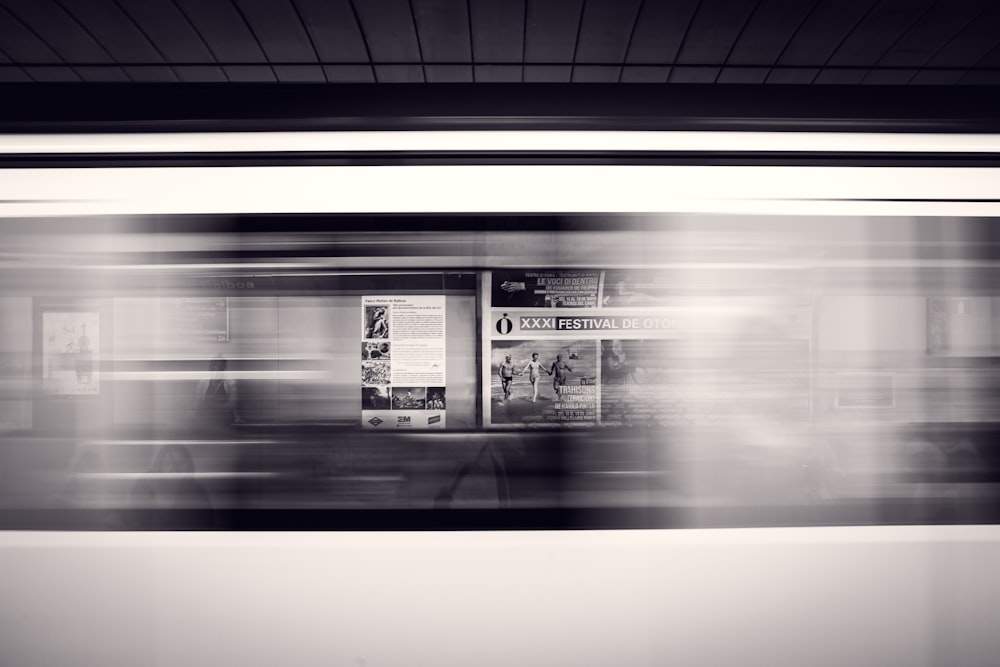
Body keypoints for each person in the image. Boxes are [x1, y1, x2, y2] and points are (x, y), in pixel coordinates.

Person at [194, 356, 241, 430]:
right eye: (215, 367)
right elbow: (198, 402)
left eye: (221, 367)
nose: (218, 370)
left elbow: (231, 404)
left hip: (225, 418)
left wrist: (211, 405)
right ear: (211, 368)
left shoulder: (230, 382)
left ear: (224, 369)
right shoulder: (203, 382)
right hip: (206, 418)